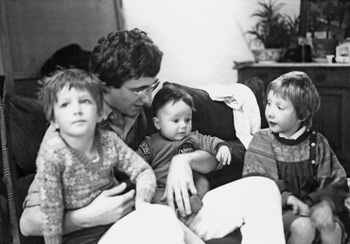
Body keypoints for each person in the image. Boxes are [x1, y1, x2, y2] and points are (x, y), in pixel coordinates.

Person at [21, 28, 286, 244]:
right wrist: (89, 216)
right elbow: (27, 223)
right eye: (138, 90)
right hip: (118, 231)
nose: (148, 97)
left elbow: (230, 151)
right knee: (158, 221)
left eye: (151, 86)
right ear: (105, 85)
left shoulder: (153, 112)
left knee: (261, 189)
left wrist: (187, 161)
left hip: (171, 216)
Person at [35, 68, 158, 244]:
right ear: (54, 121)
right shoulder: (53, 154)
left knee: (164, 218)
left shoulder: (109, 141)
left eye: (85, 101)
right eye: (65, 104)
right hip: (80, 239)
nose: (77, 110)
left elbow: (142, 170)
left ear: (100, 113)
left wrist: (142, 201)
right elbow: (50, 211)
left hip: (120, 224)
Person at [243, 71, 350, 244]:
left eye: (280, 107)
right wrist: (288, 198)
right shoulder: (262, 140)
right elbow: (257, 183)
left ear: (302, 115)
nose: (270, 112)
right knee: (304, 227)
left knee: (332, 228)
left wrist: (325, 204)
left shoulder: (318, 142)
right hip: (276, 210)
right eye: (269, 103)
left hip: (312, 208)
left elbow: (335, 182)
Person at [137, 84, 232, 215]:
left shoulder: (192, 137)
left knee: (202, 182)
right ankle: (171, 212)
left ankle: (193, 204)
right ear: (157, 123)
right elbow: (138, 162)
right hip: (162, 188)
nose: (183, 126)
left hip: (189, 187)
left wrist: (222, 147)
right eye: (175, 121)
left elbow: (211, 141)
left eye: (187, 119)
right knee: (151, 193)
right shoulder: (150, 143)